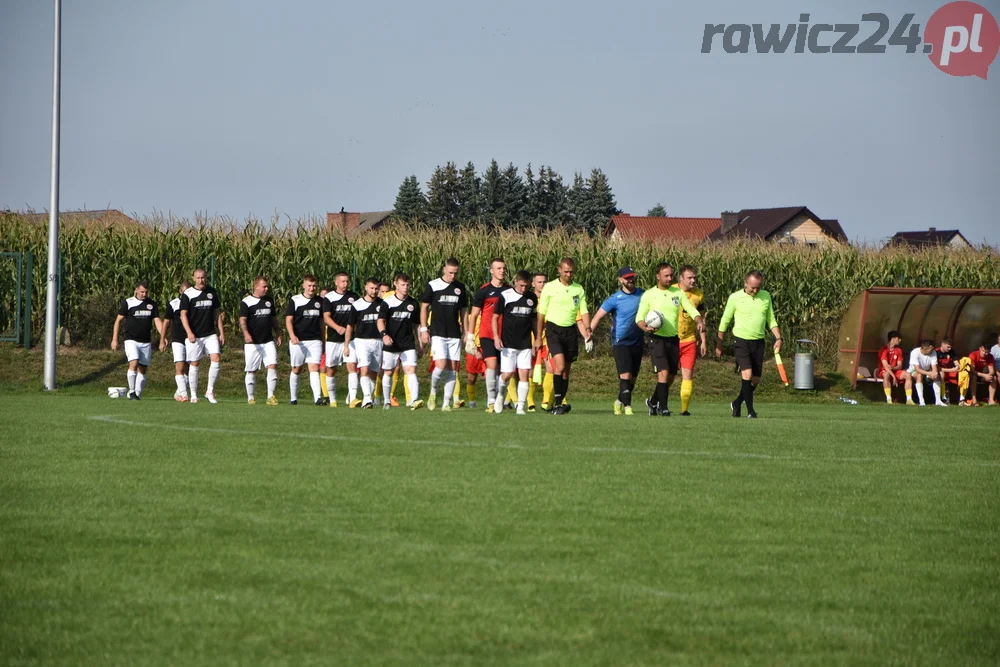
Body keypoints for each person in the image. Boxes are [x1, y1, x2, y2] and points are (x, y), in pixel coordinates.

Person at [636, 263, 704, 416]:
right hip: (656, 338)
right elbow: (639, 318)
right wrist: (645, 327)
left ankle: (653, 401)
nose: (669, 278)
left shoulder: (677, 293)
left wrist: (699, 320)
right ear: (657, 276)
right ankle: (663, 407)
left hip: (673, 339)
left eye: (671, 275)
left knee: (671, 376)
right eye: (666, 275)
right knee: (664, 372)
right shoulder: (649, 294)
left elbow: (691, 309)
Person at [714, 270, 782, 419]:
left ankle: (737, 403)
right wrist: (719, 344)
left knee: (755, 379)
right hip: (741, 341)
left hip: (758, 342)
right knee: (747, 373)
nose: (755, 290)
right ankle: (751, 411)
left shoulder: (766, 296)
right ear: (745, 283)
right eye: (752, 287)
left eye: (758, 287)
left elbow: (771, 320)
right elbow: (725, 321)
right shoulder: (735, 298)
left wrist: (778, 338)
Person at [537, 257, 593, 415]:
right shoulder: (549, 287)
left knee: (566, 371)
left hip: (570, 332)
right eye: (566, 271)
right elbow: (541, 314)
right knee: (559, 366)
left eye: (571, 271)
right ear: (559, 270)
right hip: (553, 330)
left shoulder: (578, 289)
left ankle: (559, 401)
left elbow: (583, 312)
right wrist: (538, 337)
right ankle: (558, 404)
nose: (569, 274)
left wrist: (587, 331)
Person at [589, 266, 643, 415]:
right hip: (620, 342)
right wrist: (589, 334)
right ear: (620, 280)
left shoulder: (643, 294)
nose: (630, 280)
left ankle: (619, 401)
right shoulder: (615, 299)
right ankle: (628, 408)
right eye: (627, 278)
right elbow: (598, 316)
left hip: (637, 341)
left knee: (632, 378)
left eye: (632, 277)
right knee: (625, 375)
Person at [420, 257, 469, 412]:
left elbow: (464, 312)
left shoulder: (460, 288)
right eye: (450, 272)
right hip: (438, 332)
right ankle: (433, 392)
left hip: (454, 333)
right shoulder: (433, 285)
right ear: (444, 269)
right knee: (440, 365)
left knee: (453, 368)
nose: (452, 276)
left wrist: (467, 333)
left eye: (455, 273)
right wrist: (423, 329)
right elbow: (424, 308)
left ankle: (446, 403)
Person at [492, 270, 539, 415]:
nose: (524, 289)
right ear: (516, 282)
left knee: (524, 372)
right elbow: (494, 318)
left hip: (525, 342)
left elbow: (534, 320)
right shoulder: (505, 296)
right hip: (508, 342)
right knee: (507, 374)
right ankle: (500, 395)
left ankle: (521, 406)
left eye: (526, 286)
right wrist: (496, 337)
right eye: (522, 286)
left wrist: (537, 338)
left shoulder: (531, 298)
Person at [467, 258, 508, 412]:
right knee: (491, 365)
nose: (502, 271)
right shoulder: (483, 291)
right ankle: (491, 400)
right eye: (498, 268)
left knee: (501, 370)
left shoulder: (509, 291)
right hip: (487, 334)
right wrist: (470, 336)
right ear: (491, 271)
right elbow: (475, 314)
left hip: (504, 336)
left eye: (503, 268)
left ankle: (499, 398)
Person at [179, 268, 225, 404]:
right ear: (194, 279)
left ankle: (209, 391)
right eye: (198, 278)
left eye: (203, 278)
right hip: (195, 335)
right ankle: (193, 394)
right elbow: (183, 315)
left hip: (210, 333)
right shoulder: (188, 294)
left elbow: (217, 313)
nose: (201, 280)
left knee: (216, 358)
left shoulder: (212, 292)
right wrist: (189, 332)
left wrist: (221, 332)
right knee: (195, 363)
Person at [111, 281, 162, 400]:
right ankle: (132, 391)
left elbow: (157, 321)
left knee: (143, 368)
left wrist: (163, 336)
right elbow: (118, 321)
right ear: (136, 290)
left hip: (145, 341)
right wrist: (114, 339)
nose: (144, 294)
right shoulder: (128, 303)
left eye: (146, 292)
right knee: (134, 363)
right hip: (131, 340)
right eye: (142, 291)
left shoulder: (152, 304)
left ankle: (137, 393)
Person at [380, 272, 425, 410]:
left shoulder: (413, 303)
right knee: (388, 372)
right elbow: (380, 321)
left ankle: (414, 400)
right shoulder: (388, 302)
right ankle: (387, 401)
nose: (405, 287)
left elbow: (417, 325)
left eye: (407, 285)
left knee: (410, 370)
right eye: (402, 285)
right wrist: (384, 335)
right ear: (396, 285)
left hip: (408, 343)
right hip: (391, 343)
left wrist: (420, 344)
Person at [345, 277, 389, 409]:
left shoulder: (383, 304)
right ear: (366, 288)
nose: (374, 291)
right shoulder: (357, 305)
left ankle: (368, 396)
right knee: (364, 368)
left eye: (376, 289)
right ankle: (367, 399)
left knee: (374, 372)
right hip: (361, 341)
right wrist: (346, 345)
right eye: (371, 288)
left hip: (378, 341)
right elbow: (350, 326)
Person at [239, 276, 282, 405]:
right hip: (253, 343)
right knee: (252, 370)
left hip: (268, 340)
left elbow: (273, 319)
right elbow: (242, 321)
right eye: (264, 286)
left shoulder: (269, 301)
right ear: (256, 286)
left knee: (272, 365)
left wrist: (279, 333)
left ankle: (271, 396)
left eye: (267, 286)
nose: (266, 289)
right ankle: (251, 397)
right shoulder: (246, 302)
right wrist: (246, 334)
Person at [285, 275, 325, 405]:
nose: (312, 288)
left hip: (315, 340)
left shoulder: (320, 301)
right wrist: (292, 335)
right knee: (297, 369)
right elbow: (289, 320)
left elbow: (321, 322)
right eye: (309, 285)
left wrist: (323, 340)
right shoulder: (295, 300)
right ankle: (293, 398)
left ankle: (317, 398)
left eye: (314, 286)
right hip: (298, 340)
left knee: (314, 367)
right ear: (303, 286)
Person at [322, 272, 359, 407]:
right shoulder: (329, 298)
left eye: (347, 281)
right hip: (333, 339)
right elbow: (326, 317)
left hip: (351, 340)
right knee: (331, 369)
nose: (345, 284)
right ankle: (332, 399)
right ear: (336, 283)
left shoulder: (354, 297)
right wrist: (337, 328)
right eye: (342, 281)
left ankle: (353, 398)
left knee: (352, 367)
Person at [676, 265, 708, 416]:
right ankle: (657, 402)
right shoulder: (671, 291)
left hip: (689, 340)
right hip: (671, 340)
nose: (693, 280)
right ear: (681, 279)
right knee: (667, 375)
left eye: (694, 277)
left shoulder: (698, 295)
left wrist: (703, 340)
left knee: (687, 375)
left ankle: (684, 410)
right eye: (689, 278)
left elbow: (701, 319)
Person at [160, 280, 191, 402]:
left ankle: (178, 393)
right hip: (177, 339)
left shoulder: (193, 303)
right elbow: (166, 322)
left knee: (189, 368)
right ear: (180, 292)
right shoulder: (174, 304)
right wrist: (162, 339)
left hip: (191, 338)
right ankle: (184, 394)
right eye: (184, 292)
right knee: (179, 366)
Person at [875, 330, 914, 405]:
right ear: (893, 339)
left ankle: (909, 399)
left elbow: (900, 366)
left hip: (894, 371)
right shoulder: (883, 350)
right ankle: (889, 399)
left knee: (908, 375)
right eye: (898, 338)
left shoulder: (898, 350)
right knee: (887, 374)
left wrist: (893, 368)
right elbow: (885, 366)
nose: (900, 340)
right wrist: (894, 377)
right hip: (883, 371)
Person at [908, 339, 945, 407]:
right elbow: (917, 369)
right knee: (919, 375)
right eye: (930, 349)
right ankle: (921, 401)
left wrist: (934, 373)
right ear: (925, 349)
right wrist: (929, 373)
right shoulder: (915, 352)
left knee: (937, 375)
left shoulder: (933, 352)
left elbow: (934, 367)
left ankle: (938, 401)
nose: (932, 350)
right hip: (914, 371)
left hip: (927, 371)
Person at [968, 340, 998, 405]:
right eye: (983, 351)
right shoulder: (973, 355)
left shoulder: (990, 357)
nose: (984, 353)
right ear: (980, 348)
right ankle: (974, 399)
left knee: (994, 378)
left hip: (983, 375)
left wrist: (989, 376)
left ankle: (991, 400)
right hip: (974, 374)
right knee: (973, 377)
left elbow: (992, 371)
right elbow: (972, 370)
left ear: (989, 351)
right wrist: (985, 375)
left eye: (986, 352)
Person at [935, 338, 960, 404]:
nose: (949, 349)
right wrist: (951, 370)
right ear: (942, 344)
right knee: (941, 373)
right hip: (939, 372)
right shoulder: (936, 352)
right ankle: (943, 397)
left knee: (961, 375)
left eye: (950, 347)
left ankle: (959, 399)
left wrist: (957, 366)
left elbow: (956, 363)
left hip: (949, 372)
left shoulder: (951, 351)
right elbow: (936, 367)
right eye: (948, 347)